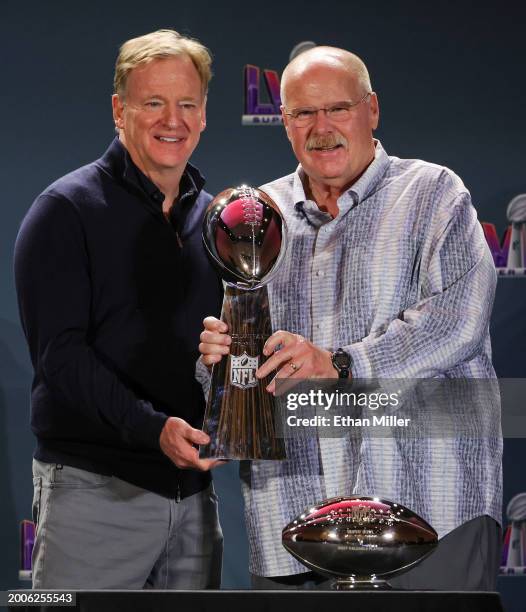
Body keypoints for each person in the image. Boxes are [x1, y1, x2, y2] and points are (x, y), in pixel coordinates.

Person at [199, 46, 502, 590]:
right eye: (302, 114)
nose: (322, 128)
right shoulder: (255, 215)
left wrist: (340, 363)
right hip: (293, 519)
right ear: (284, 122)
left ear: (372, 110)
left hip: (430, 508)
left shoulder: (434, 193)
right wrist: (219, 369)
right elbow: (245, 374)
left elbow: (457, 322)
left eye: (338, 108)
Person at [14, 29, 224, 590]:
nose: (171, 120)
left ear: (204, 115)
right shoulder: (64, 210)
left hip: (196, 506)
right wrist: (151, 428)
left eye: (186, 104)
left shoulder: (218, 221)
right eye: (153, 102)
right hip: (93, 493)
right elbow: (61, 358)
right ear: (119, 109)